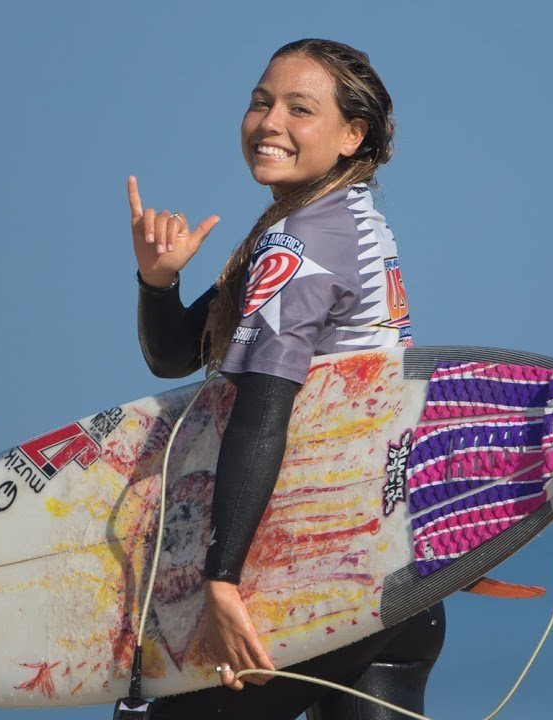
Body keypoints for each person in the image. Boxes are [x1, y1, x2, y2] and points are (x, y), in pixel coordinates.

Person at [128, 38, 444, 720]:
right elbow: (179, 353)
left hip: (311, 584)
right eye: (260, 102)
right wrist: (158, 283)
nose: (269, 122)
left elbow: (263, 410)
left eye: (299, 109)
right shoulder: (350, 223)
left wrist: (221, 580)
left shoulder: (299, 244)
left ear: (351, 134)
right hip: (394, 588)